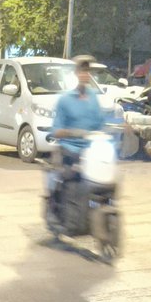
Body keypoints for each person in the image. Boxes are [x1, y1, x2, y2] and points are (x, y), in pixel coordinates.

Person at [48, 55, 107, 221]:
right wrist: (70, 132)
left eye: (87, 71)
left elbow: (100, 122)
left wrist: (121, 126)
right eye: (81, 70)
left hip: (92, 149)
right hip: (71, 148)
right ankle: (59, 211)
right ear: (76, 73)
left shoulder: (94, 97)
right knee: (72, 178)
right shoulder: (65, 100)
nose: (84, 74)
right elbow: (56, 129)